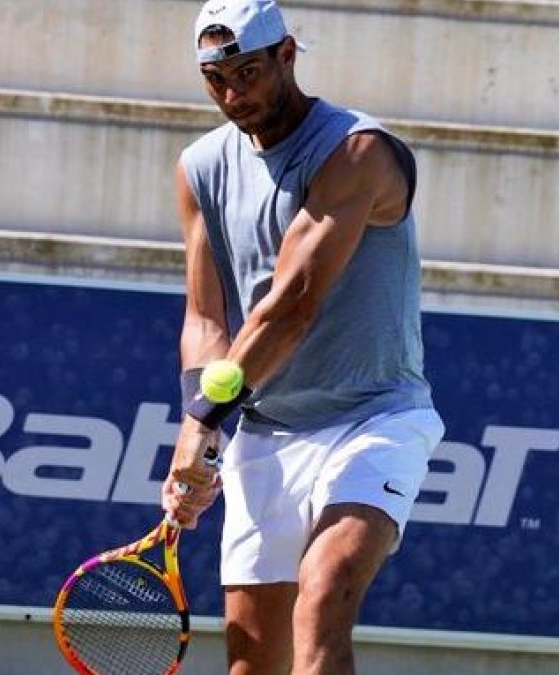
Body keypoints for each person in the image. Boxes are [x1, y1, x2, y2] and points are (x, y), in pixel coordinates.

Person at [160, 1, 446, 673]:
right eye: (215, 78)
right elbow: (207, 319)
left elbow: (292, 305)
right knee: (253, 661)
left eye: (249, 72)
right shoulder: (200, 166)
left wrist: (205, 419)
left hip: (376, 417)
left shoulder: (357, 151)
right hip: (265, 431)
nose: (233, 94)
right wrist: (196, 424)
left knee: (322, 594)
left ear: (288, 55)